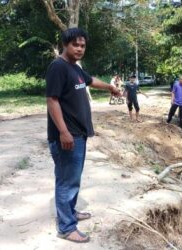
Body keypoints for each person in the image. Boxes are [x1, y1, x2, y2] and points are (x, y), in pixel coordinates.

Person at [46, 28, 121, 243]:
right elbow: (52, 101)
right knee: (66, 181)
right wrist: (63, 132)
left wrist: (110, 88)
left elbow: (90, 81)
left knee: (73, 179)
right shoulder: (58, 67)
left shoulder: (75, 69)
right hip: (67, 136)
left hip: (78, 134)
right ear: (65, 45)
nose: (79, 49)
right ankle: (66, 227)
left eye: (83, 45)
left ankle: (70, 213)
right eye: (75, 45)